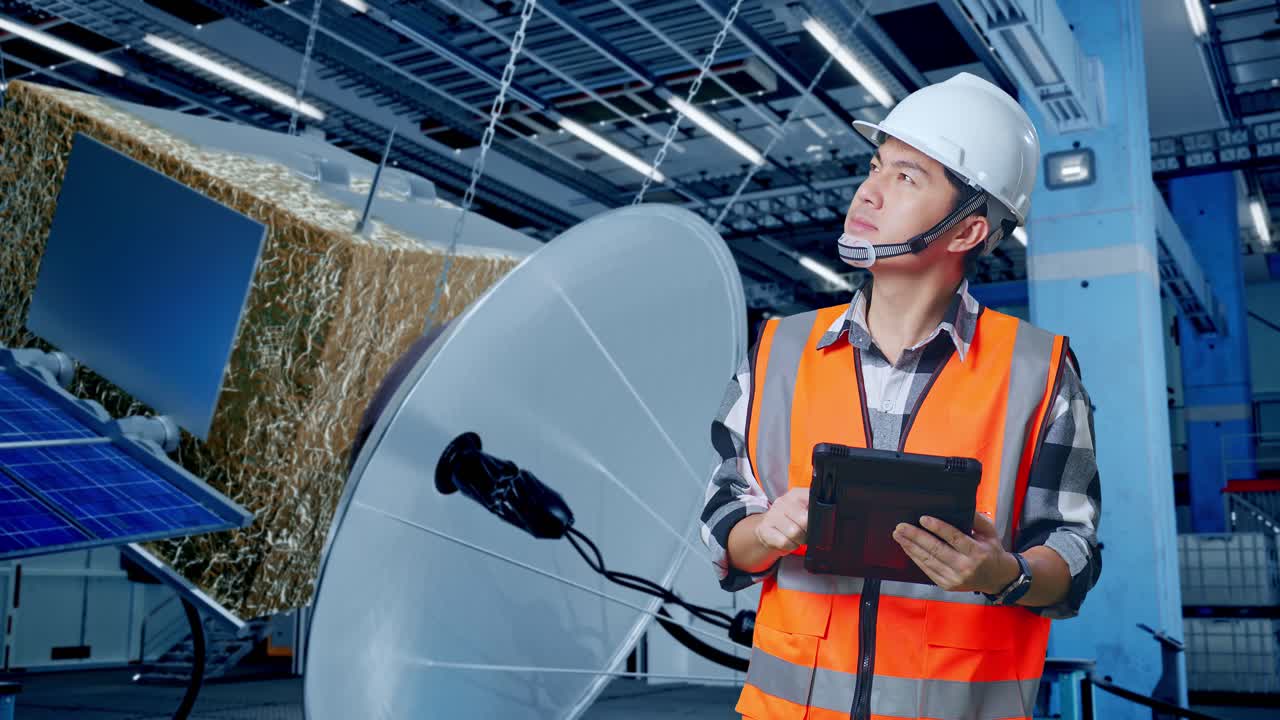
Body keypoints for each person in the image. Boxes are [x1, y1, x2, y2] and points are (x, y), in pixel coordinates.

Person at [699, 72, 1102, 720]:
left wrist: (1000, 573)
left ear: (968, 231)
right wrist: (766, 533)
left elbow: (1074, 558)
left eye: (906, 178)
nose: (869, 190)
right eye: (877, 165)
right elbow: (724, 530)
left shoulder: (1039, 371)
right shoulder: (776, 352)